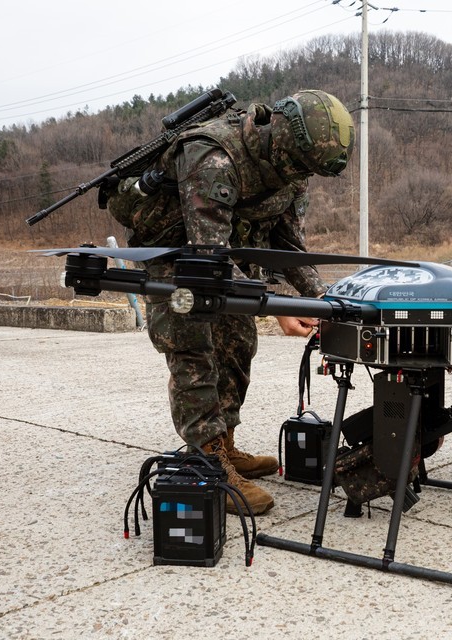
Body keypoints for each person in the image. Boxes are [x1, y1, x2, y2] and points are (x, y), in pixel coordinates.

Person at [107, 89, 355, 515]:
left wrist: (323, 299)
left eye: (306, 171)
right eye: (298, 165)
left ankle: (226, 443)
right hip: (178, 256)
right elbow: (209, 255)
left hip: (224, 253)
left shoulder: (292, 168)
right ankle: (208, 462)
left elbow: (287, 244)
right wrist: (279, 305)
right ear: (281, 137)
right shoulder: (213, 156)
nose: (300, 176)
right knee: (194, 347)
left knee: (238, 340)